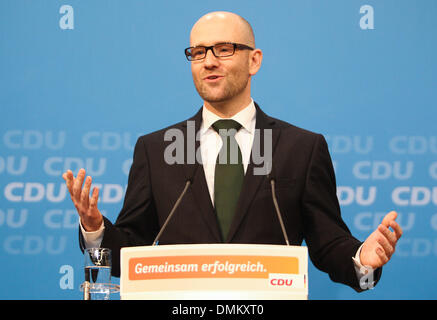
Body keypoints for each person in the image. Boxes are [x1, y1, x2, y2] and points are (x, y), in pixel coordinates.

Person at [63, 11, 402, 291]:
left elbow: (328, 244)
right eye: (198, 52)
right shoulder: (156, 149)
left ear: (254, 60)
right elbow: (126, 257)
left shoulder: (302, 148)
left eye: (223, 49)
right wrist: (95, 232)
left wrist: (363, 262)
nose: (208, 61)